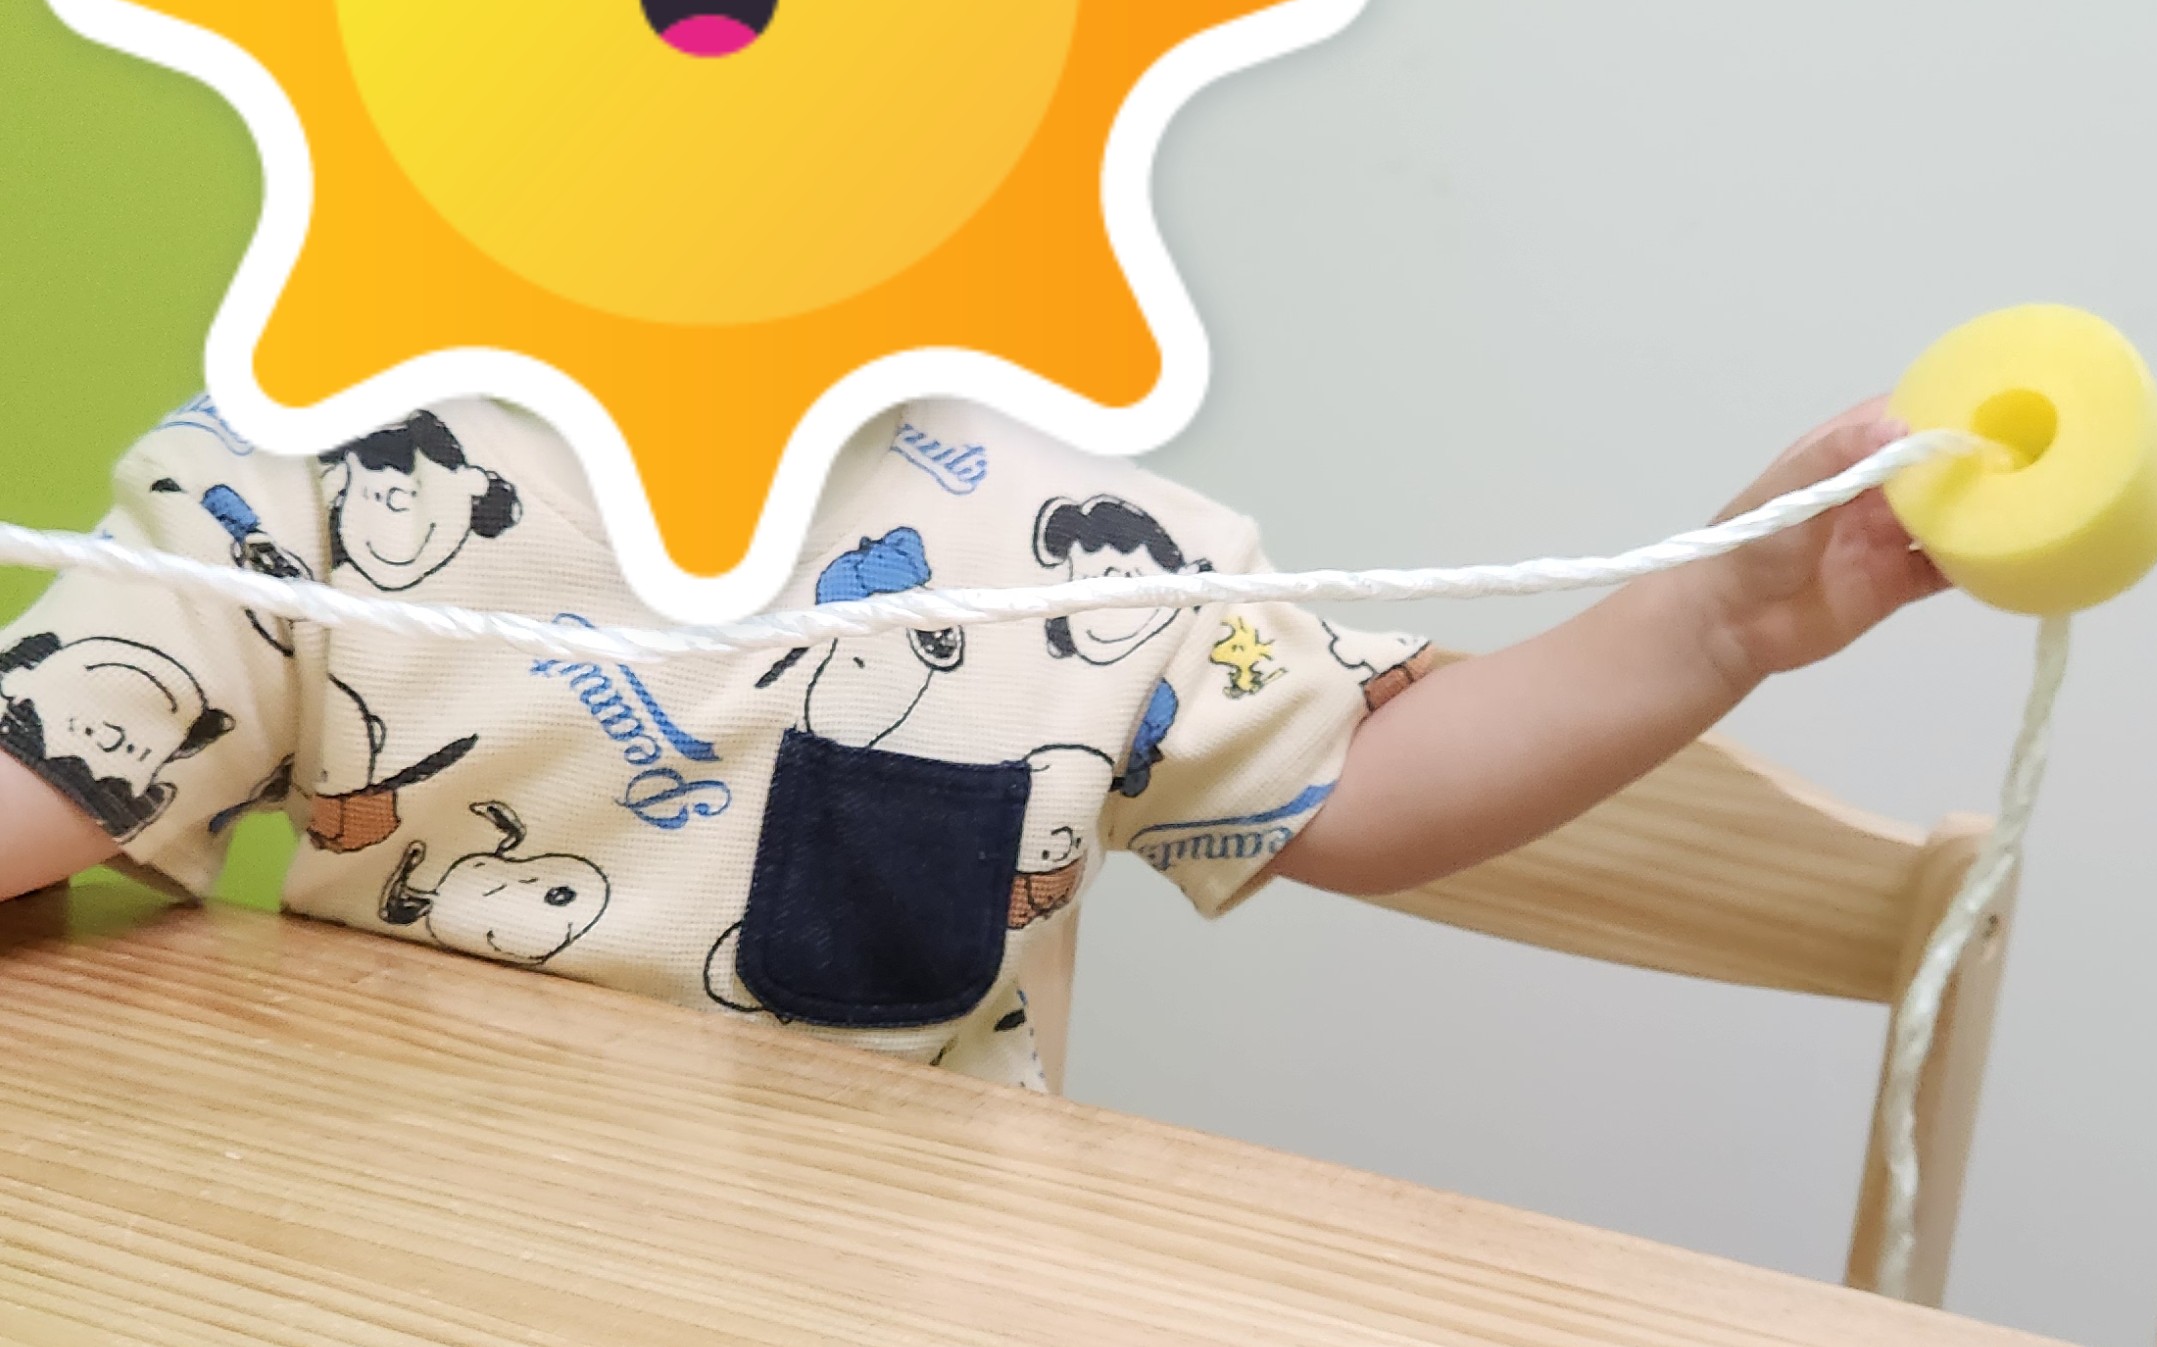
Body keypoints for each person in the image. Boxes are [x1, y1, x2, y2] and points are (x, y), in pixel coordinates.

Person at [0, 391, 1940, 1087]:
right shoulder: (316, 465)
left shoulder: (1070, 542)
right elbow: (57, 763)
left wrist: (1717, 619)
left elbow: (1353, 791)